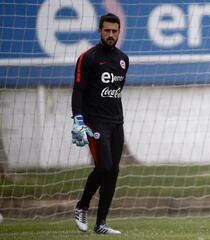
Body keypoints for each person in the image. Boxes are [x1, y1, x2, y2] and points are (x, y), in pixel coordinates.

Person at [71, 13, 129, 235]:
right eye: (107, 31)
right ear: (100, 31)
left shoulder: (124, 60)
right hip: (95, 123)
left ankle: (101, 223)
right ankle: (82, 205)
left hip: (116, 123)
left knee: (113, 171)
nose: (111, 35)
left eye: (115, 31)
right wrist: (78, 119)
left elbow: (115, 92)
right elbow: (78, 90)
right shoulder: (88, 58)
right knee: (104, 166)